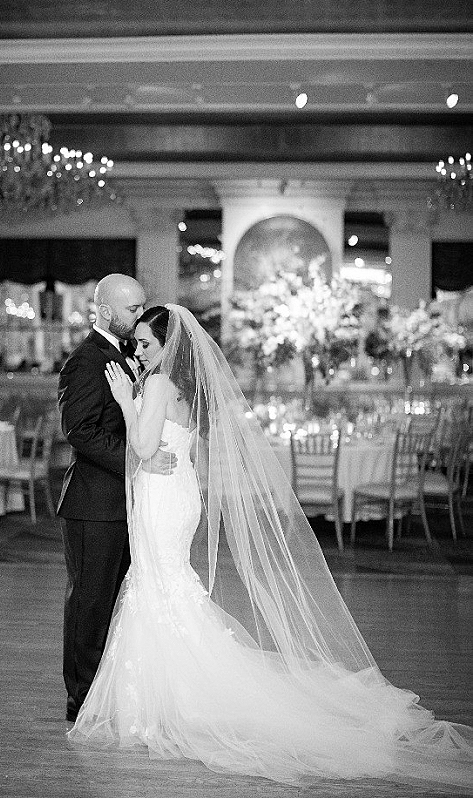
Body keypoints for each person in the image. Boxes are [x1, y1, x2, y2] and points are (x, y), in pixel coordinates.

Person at [68, 304, 473, 789]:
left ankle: (170, 700)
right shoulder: (188, 387)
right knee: (166, 587)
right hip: (179, 495)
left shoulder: (156, 384)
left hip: (161, 499)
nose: (137, 351)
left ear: (167, 345)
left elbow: (142, 447)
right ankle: (167, 695)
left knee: (157, 588)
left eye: (145, 343)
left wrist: (124, 399)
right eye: (136, 343)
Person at [57, 277, 176, 723]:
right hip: (93, 506)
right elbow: (81, 432)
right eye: (132, 309)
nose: (140, 315)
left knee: (114, 602)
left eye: (143, 306)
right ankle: (82, 699)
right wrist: (138, 460)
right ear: (106, 311)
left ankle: (107, 691)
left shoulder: (132, 355)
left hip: (125, 503)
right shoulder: (85, 361)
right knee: (89, 604)